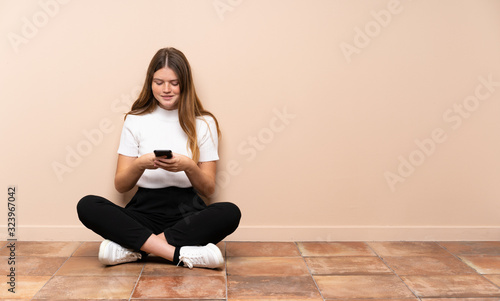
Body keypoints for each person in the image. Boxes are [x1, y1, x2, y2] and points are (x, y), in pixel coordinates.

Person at [77, 47, 241, 269]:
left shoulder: (204, 123)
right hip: (143, 211)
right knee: (87, 205)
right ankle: (180, 255)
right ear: (150, 82)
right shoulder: (135, 120)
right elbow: (121, 186)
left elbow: (209, 189)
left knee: (230, 212)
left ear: (185, 83)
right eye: (159, 82)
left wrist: (189, 166)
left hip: (187, 213)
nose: (166, 89)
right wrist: (140, 164)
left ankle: (134, 249)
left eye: (174, 83)